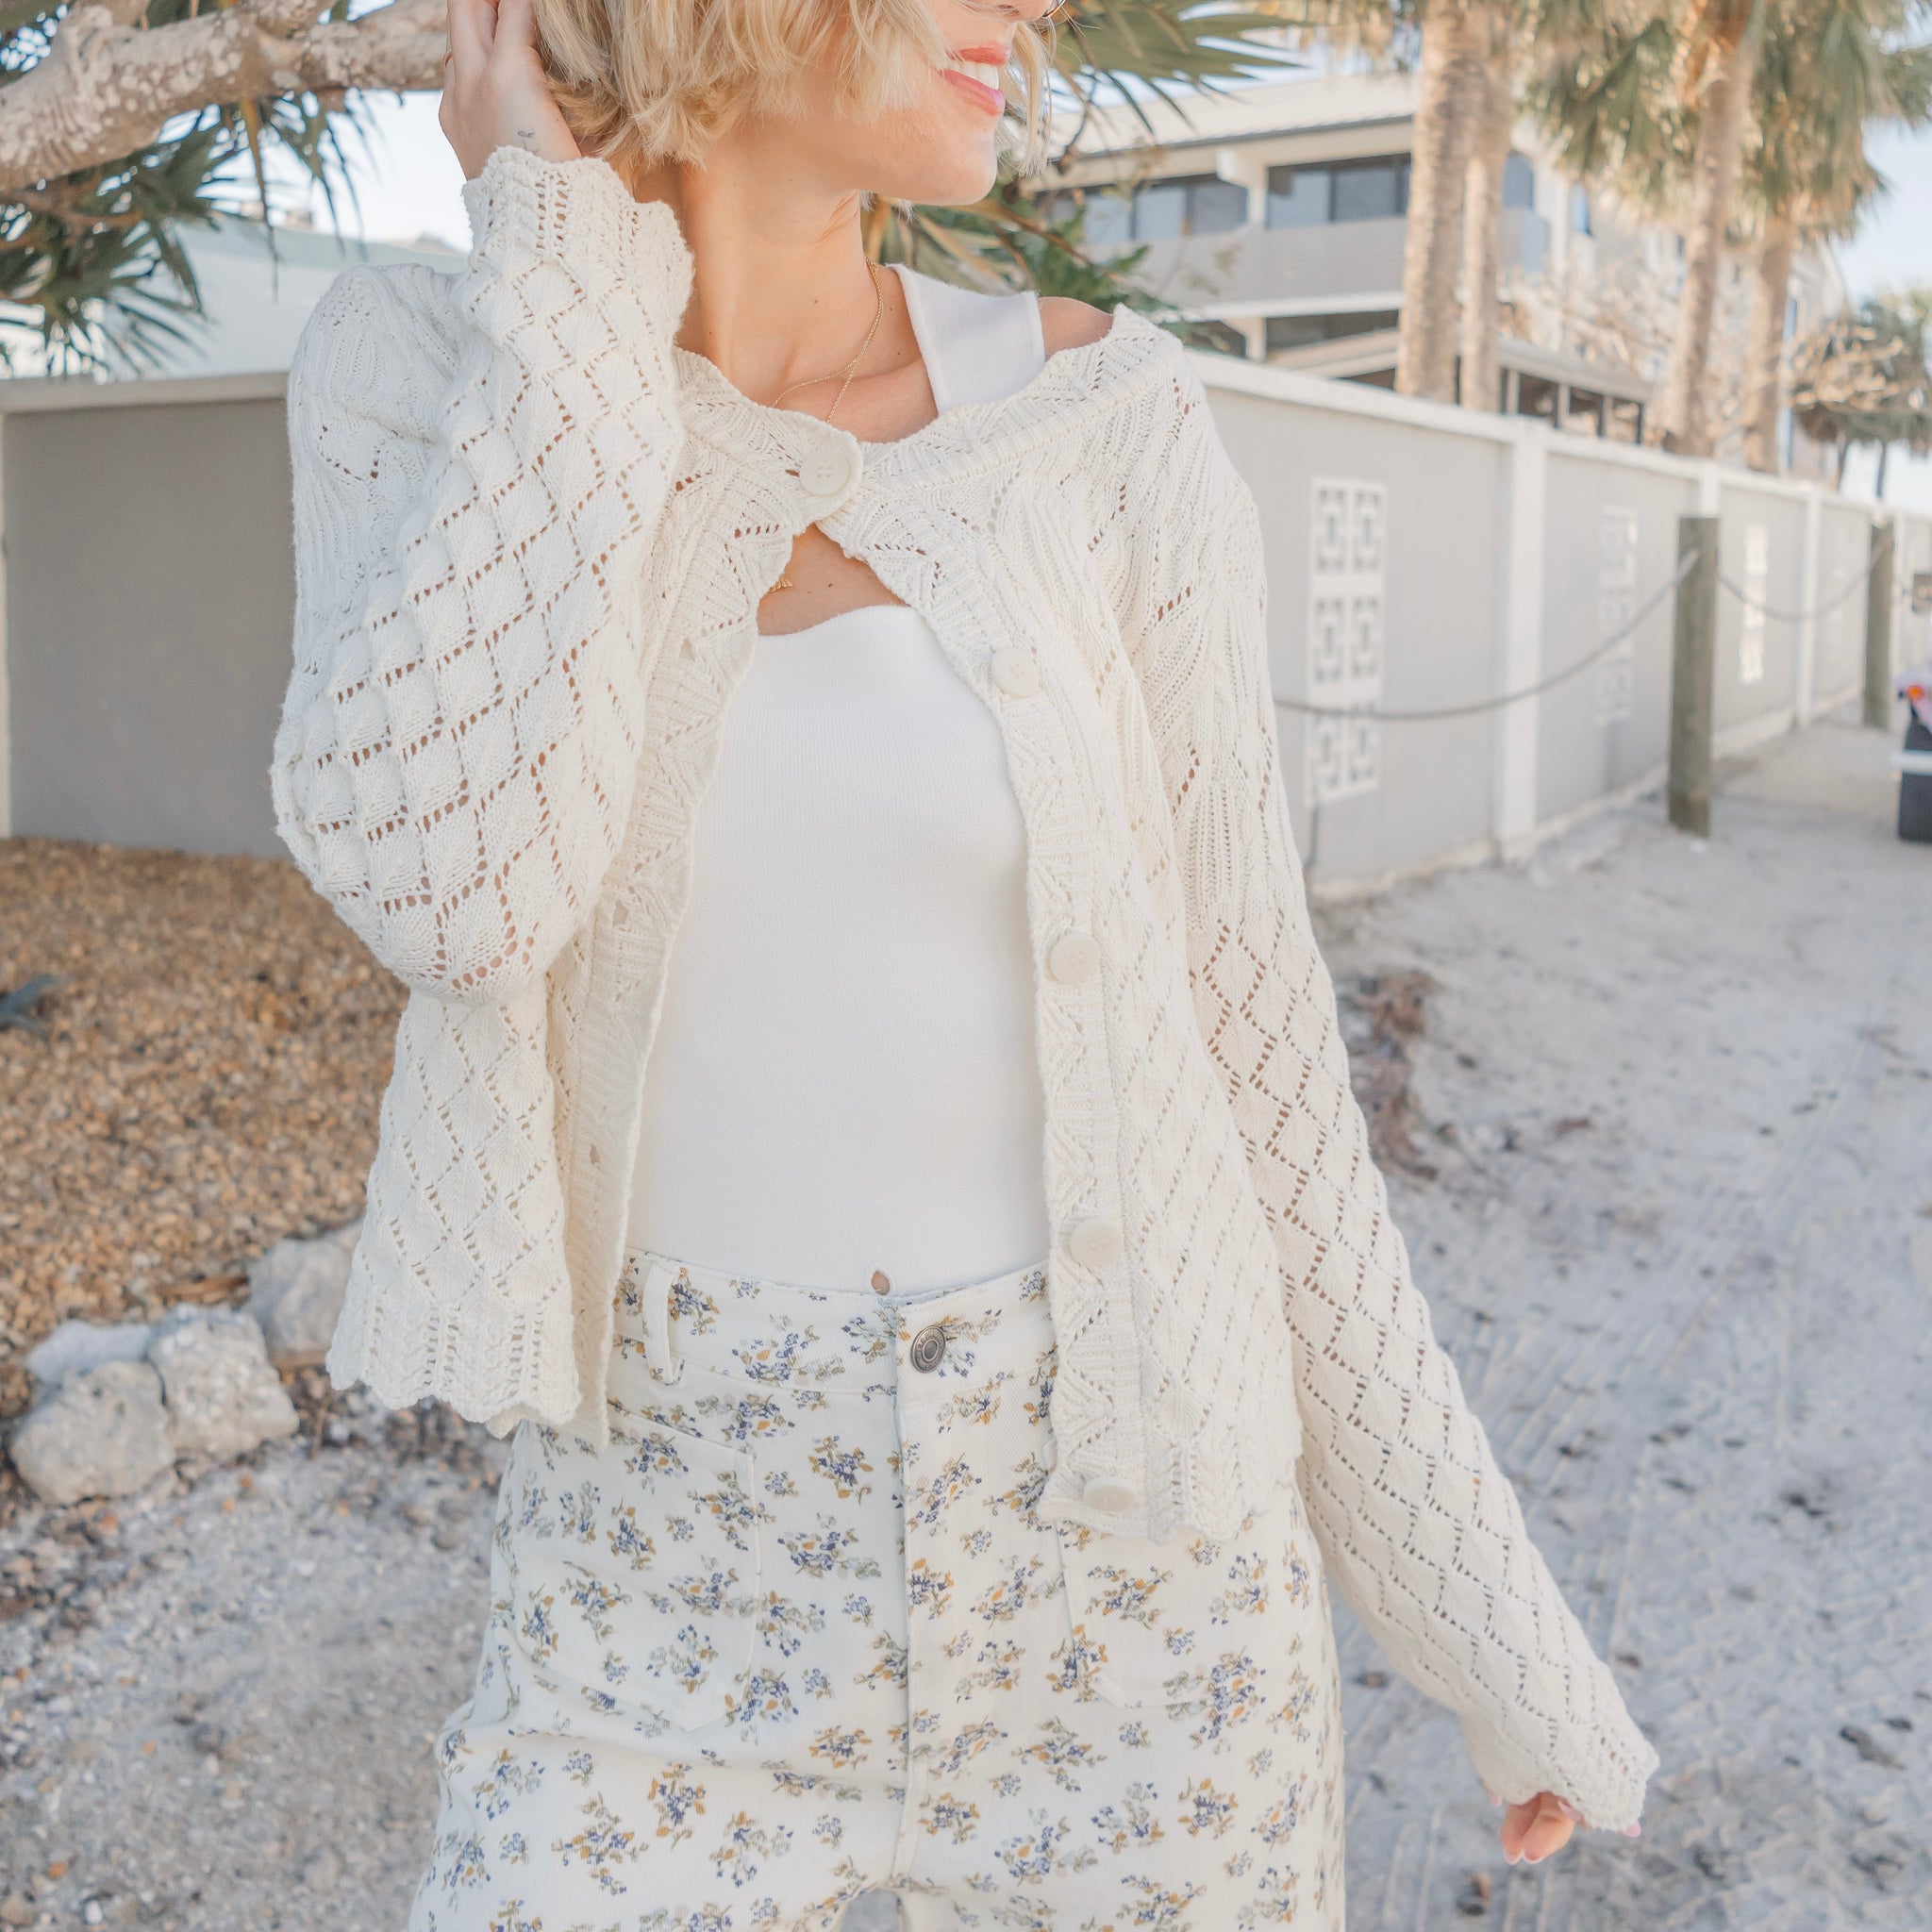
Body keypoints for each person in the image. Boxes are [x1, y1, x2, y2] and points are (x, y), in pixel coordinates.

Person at [270, 0, 1657, 1923]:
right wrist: (569, 284)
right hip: (658, 1603)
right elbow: (453, 893)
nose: (1038, 11)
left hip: (1138, 1624)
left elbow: (1265, 1086)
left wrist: (1485, 1624)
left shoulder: (1104, 424)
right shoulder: (424, 372)